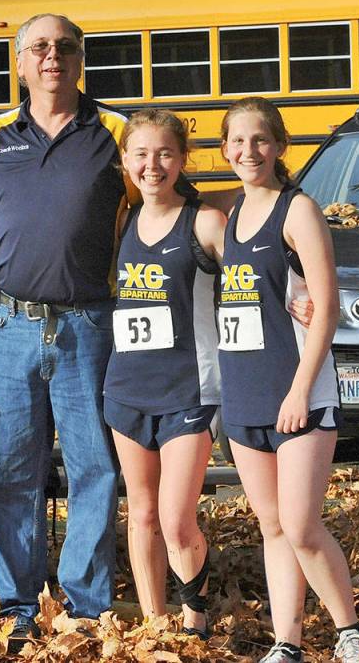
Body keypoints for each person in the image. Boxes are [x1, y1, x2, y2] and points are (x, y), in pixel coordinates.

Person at [0, 13, 140, 647]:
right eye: (38, 47)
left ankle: (86, 608)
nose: (52, 56)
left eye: (65, 46)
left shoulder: (116, 132)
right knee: (10, 468)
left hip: (90, 324)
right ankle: (17, 602)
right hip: (10, 323)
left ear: (82, 58)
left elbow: (169, 206)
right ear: (19, 62)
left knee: (95, 466)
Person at [217, 97, 359, 663]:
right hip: (244, 397)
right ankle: (288, 643)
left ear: (281, 146)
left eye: (260, 139)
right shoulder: (230, 214)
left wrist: (299, 390)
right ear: (224, 148)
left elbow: (326, 307)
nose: (248, 151)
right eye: (237, 140)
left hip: (299, 394)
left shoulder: (298, 210)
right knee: (274, 528)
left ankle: (350, 631)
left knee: (303, 526)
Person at [103, 109, 224, 640]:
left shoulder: (203, 222)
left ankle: (193, 612)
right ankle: (156, 623)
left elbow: (253, 279)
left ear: (182, 160)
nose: (152, 165)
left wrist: (300, 297)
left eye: (165, 154)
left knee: (177, 520)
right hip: (127, 389)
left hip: (188, 391)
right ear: (125, 160)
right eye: (141, 154)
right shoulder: (119, 222)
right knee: (143, 515)